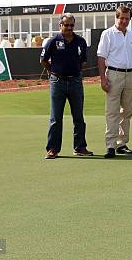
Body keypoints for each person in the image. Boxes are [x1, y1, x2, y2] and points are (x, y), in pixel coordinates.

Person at [40, 13, 92, 159]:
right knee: (56, 118)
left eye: (71, 25)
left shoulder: (80, 41)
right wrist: (54, 71)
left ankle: (80, 147)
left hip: (75, 81)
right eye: (66, 25)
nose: (69, 28)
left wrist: (74, 71)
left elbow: (83, 61)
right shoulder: (53, 41)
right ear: (60, 25)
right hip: (58, 82)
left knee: (79, 117)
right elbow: (43, 60)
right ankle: (53, 149)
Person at [97, 5, 132, 159]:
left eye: (127, 18)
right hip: (114, 74)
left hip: (130, 75)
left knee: (127, 111)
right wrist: (103, 79)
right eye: (121, 18)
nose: (124, 21)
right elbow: (101, 57)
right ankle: (110, 145)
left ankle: (122, 144)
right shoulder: (107, 34)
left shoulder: (131, 35)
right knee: (112, 111)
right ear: (116, 17)